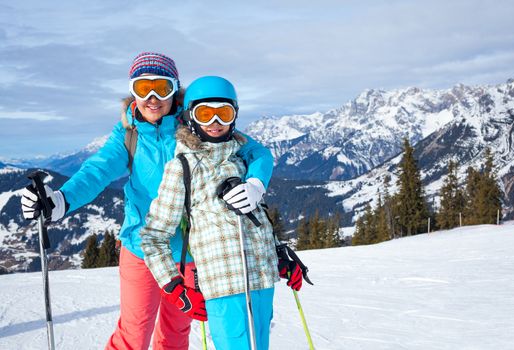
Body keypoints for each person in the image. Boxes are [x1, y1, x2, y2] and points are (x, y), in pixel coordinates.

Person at [20, 52, 274, 350]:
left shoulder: (197, 123)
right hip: (141, 249)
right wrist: (61, 200)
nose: (152, 98)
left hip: (188, 255)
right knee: (133, 335)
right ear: (132, 93)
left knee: (175, 336)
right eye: (143, 88)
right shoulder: (128, 136)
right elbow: (97, 171)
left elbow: (256, 152)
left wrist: (255, 183)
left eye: (162, 87)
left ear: (175, 90)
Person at [140, 76, 302, 350]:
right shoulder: (182, 168)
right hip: (222, 284)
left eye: (223, 113)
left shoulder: (241, 160)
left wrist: (277, 256)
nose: (215, 122)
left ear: (234, 116)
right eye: (206, 113)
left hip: (261, 279)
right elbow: (154, 236)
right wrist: (173, 286)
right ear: (191, 117)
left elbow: (255, 219)